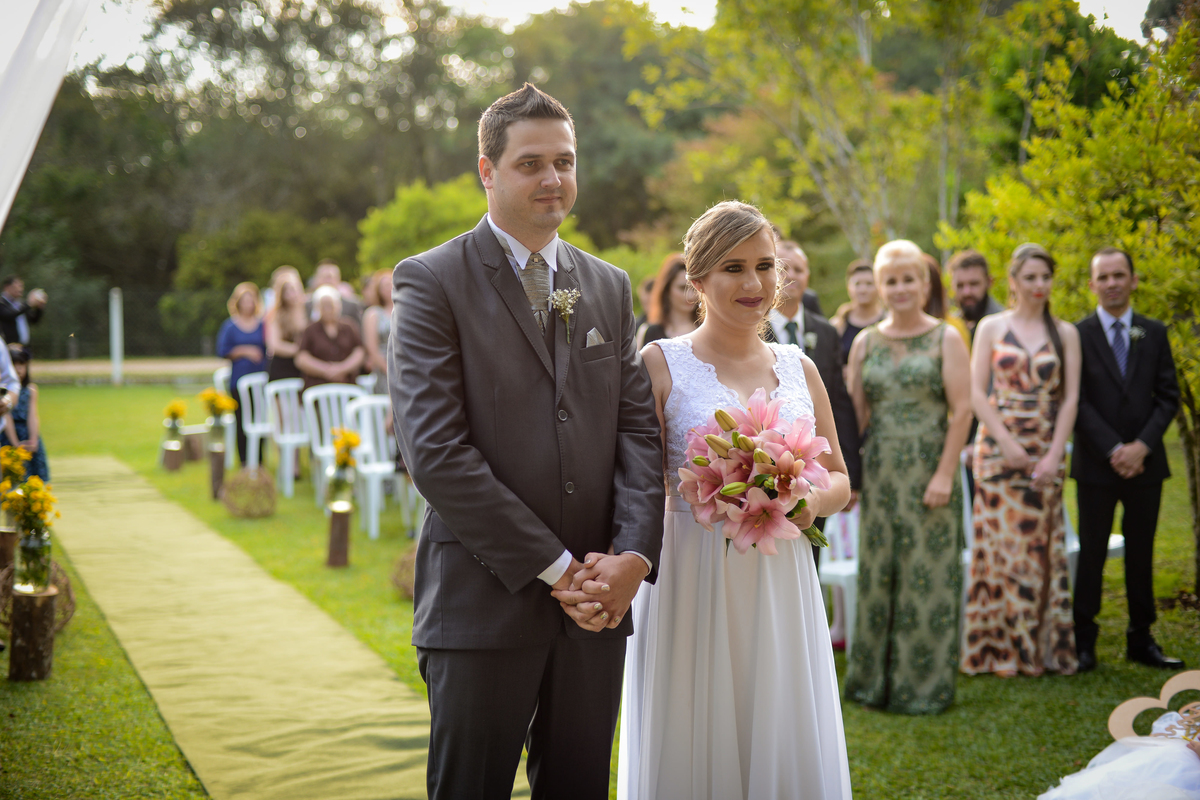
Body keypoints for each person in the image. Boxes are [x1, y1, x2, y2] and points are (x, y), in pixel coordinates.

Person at [389, 84, 664, 800]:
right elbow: (436, 455)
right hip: (484, 601)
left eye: (565, 162)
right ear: (487, 170)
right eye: (531, 163)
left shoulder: (606, 284)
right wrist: (557, 569)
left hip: (598, 608)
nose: (553, 180)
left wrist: (632, 556)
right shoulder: (431, 281)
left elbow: (637, 431)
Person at [619, 200, 852, 799]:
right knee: (696, 725)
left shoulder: (800, 367)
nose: (754, 284)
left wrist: (795, 496)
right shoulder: (659, 363)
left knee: (776, 711)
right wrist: (721, 487)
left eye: (765, 266)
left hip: (780, 574)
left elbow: (841, 481)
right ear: (696, 279)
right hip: (690, 577)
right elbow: (637, 482)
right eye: (732, 267)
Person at [842, 239, 973, 715]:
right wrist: (845, 476)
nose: (900, 289)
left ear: (924, 283)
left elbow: (963, 412)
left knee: (927, 579)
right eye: (890, 281)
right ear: (879, 287)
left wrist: (943, 475)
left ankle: (923, 688)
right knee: (878, 576)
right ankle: (871, 684)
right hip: (880, 474)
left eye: (908, 279)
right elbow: (854, 415)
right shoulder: (865, 342)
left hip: (929, 471)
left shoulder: (947, 337)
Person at [960, 243, 1081, 677]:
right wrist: (1006, 442)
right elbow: (976, 392)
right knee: (998, 552)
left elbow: (1069, 401)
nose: (1038, 285)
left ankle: (1037, 648)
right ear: (1013, 282)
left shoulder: (1065, 333)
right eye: (1029, 278)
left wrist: (1053, 455)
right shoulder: (992, 327)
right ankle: (998, 651)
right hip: (997, 451)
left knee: (1037, 551)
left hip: (1045, 451)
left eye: (1045, 277)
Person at [1072, 247, 1184, 671]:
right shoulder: (1077, 334)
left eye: (1120, 275)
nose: (1112, 283)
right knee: (1092, 553)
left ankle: (1142, 638)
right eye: (1104, 277)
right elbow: (1076, 401)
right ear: (1092, 284)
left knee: (1141, 552)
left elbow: (1168, 396)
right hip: (1096, 466)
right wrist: (1113, 449)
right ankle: (1084, 641)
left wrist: (1141, 447)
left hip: (1146, 464)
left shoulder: (1153, 332)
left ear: (1133, 280)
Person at [216, 282, 267, 466]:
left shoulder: (263, 324)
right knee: (242, 420)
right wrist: (245, 351)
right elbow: (222, 351)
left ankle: (260, 458)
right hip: (239, 381)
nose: (248, 304)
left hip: (260, 381)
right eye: (244, 300)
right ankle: (244, 459)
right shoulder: (230, 326)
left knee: (260, 418)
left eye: (251, 300)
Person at [295, 286, 363, 392]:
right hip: (317, 386)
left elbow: (359, 351)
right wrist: (326, 370)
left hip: (347, 385)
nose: (328, 309)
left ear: (338, 306)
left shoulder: (349, 327)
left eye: (331, 305)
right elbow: (302, 358)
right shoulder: (310, 330)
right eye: (324, 306)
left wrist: (342, 369)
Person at [1, 345, 48, 481]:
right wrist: (15, 444)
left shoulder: (30, 390)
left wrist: (33, 439)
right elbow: (6, 415)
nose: (18, 368)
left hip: (26, 434)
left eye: (22, 364)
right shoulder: (3, 390)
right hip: (8, 436)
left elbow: (32, 415)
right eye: (13, 364)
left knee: (32, 478)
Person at [830, 259, 885, 364]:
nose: (863, 289)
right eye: (857, 284)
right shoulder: (838, 325)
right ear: (848, 286)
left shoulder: (887, 321)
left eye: (869, 284)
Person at [638, 253, 699, 347]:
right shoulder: (650, 332)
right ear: (666, 290)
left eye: (694, 289)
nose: (690, 296)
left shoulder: (710, 328)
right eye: (682, 288)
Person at [948, 249, 1004, 345]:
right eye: (960, 285)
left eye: (974, 284)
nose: (967, 292)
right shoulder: (951, 327)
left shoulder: (1004, 325)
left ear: (989, 282)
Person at [265, 267, 306, 381]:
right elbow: (275, 345)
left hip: (304, 368)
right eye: (286, 291)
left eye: (293, 289)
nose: (290, 294)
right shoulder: (275, 315)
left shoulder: (308, 310)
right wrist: (301, 351)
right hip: (282, 367)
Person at [361, 268, 393, 395]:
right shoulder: (373, 313)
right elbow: (372, 348)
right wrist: (389, 371)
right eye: (385, 285)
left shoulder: (406, 311)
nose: (389, 287)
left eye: (391, 283)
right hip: (384, 368)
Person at [305, 259, 363, 328]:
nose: (327, 281)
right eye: (324, 277)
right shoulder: (305, 305)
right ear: (316, 279)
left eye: (330, 277)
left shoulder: (352, 306)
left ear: (339, 279)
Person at [0, 277, 47, 348]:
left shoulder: (19, 304)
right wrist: (28, 304)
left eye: (22, 286)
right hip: (8, 348)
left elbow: (33, 320)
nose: (21, 289)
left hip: (23, 348)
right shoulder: (2, 303)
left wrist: (39, 308)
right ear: (7, 287)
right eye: (18, 286)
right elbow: (9, 315)